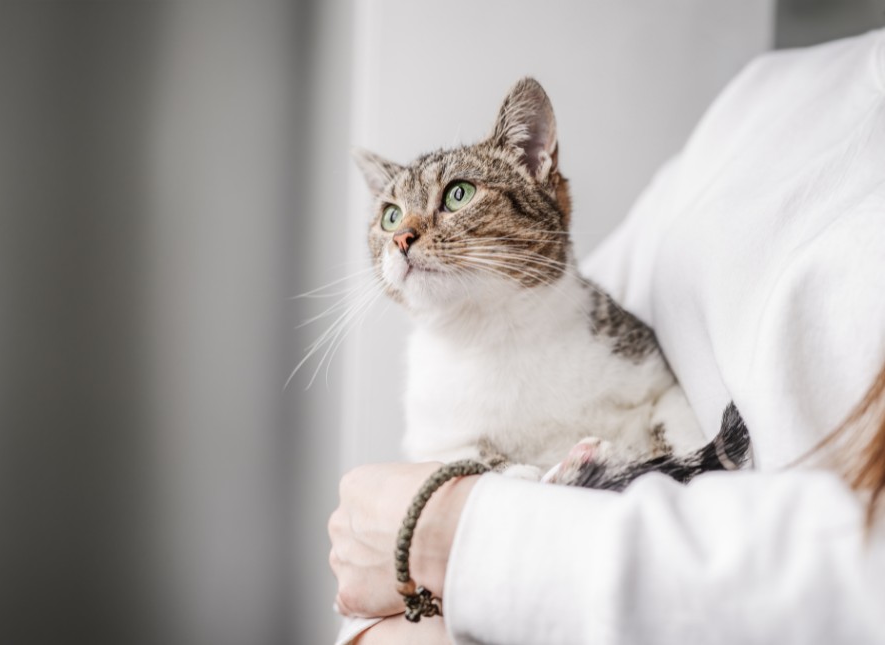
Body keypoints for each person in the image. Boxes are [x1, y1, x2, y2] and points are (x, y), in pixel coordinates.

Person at [329, 28, 885, 644]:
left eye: (455, 196)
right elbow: (389, 575)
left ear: (537, 166)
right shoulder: (771, 94)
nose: (405, 232)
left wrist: (457, 535)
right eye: (389, 215)